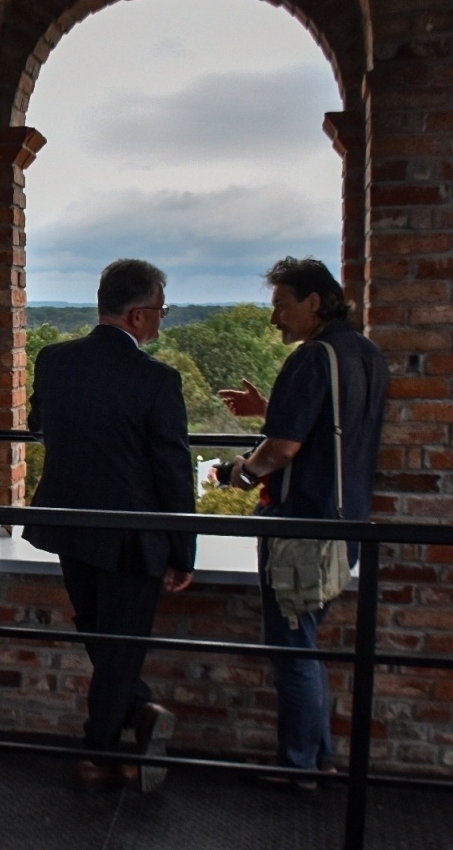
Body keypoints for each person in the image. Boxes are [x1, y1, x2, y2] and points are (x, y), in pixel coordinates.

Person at [24, 259, 196, 793]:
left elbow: (38, 425)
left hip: (70, 526)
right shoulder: (158, 380)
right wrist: (181, 553)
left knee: (104, 640)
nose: (162, 322)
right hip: (131, 537)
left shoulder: (55, 360)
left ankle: (137, 717)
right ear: (140, 316)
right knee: (119, 645)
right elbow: (173, 472)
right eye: (161, 312)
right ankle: (99, 752)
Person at [219, 257, 387, 790]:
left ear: (314, 302)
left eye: (281, 306)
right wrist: (272, 408)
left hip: (301, 526)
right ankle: (321, 757)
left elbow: (282, 451)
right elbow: (332, 427)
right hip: (346, 523)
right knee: (308, 641)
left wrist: (238, 474)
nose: (275, 320)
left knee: (292, 648)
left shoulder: (312, 358)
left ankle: (298, 767)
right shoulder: (365, 354)